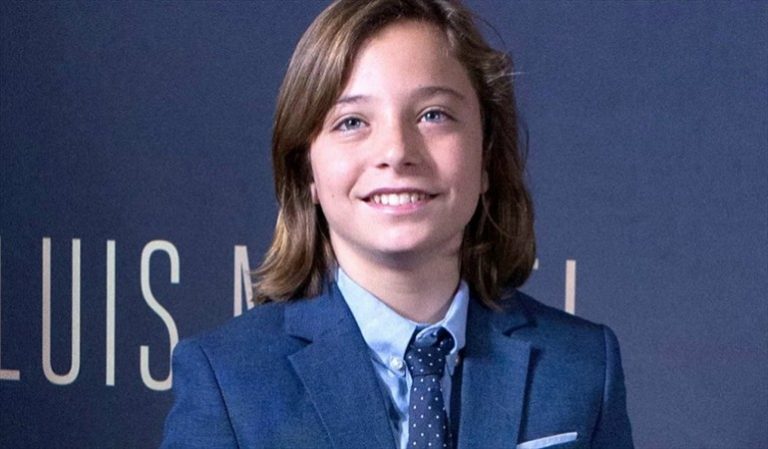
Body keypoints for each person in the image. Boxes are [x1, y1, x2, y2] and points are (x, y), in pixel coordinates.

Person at [160, 0, 634, 448]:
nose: (396, 151)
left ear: (487, 155)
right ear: (307, 171)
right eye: (352, 122)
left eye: (433, 115)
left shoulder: (582, 366)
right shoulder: (227, 381)